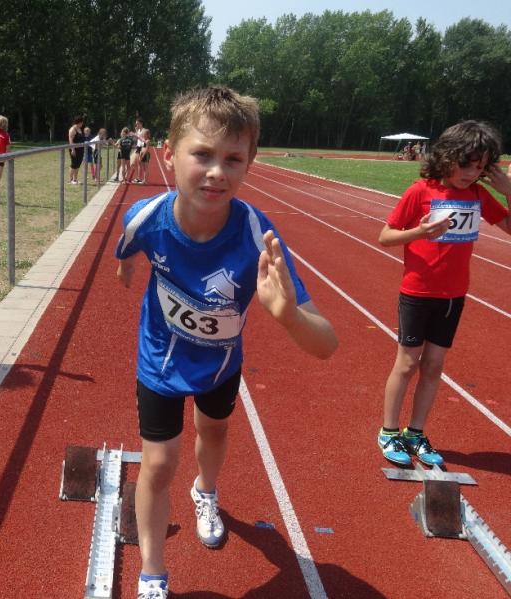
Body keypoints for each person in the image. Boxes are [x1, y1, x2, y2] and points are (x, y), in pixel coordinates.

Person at [115, 86, 338, 599]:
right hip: (159, 362)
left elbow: (325, 344)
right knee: (159, 463)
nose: (217, 171)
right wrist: (126, 269)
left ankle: (206, 490)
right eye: (202, 154)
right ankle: (153, 573)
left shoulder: (259, 235)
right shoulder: (146, 219)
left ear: (249, 163)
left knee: (213, 432)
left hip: (220, 366)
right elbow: (126, 247)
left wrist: (287, 316)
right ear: (168, 154)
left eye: (233, 159)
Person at [376, 120, 511, 467]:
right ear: (448, 156)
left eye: (480, 167)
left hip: (453, 296)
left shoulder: (477, 195)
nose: (472, 173)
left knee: (434, 366)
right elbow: (385, 236)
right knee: (407, 363)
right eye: (466, 164)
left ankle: (415, 433)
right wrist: (420, 232)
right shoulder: (420, 192)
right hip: (417, 292)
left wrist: (509, 191)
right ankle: (389, 431)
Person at [67, 115, 85, 184]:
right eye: (82, 122)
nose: (82, 124)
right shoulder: (72, 129)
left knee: (78, 165)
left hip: (81, 149)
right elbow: (70, 140)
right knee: (74, 164)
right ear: (79, 122)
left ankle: (75, 179)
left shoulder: (79, 129)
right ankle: (71, 180)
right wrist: (73, 149)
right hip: (74, 150)